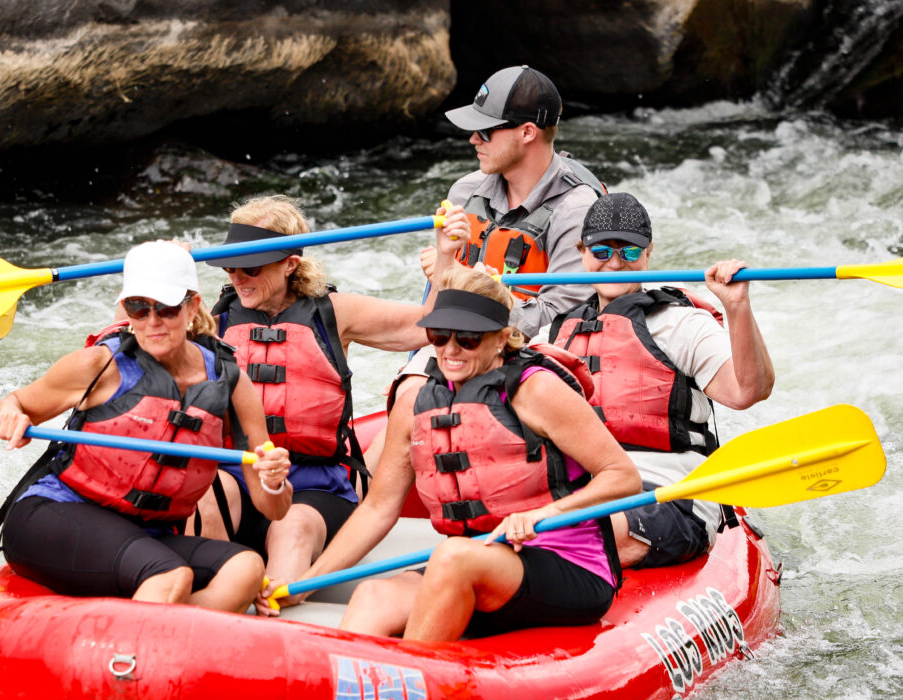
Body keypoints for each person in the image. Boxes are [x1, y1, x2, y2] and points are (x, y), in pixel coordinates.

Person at [300, 267, 641, 641]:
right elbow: (378, 508)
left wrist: (543, 514)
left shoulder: (538, 390)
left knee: (452, 557)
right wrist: (306, 584)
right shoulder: (415, 402)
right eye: (439, 335)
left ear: (500, 339)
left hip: (566, 564)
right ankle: (352, 696)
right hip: (474, 563)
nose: (450, 350)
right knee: (375, 595)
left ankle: (417, 682)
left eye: (467, 338)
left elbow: (623, 476)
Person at [0, 241, 292, 612]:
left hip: (147, 535)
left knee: (245, 568)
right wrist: (10, 414)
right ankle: (130, 655)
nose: (151, 322)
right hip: (56, 515)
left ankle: (155, 632)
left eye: (165, 309)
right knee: (168, 576)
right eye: (138, 308)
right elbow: (18, 403)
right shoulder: (100, 365)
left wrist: (272, 480)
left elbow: (274, 508)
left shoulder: (230, 381)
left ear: (192, 306)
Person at [191, 195, 450, 615]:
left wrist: (445, 257)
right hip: (238, 476)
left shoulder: (334, 312)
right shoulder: (210, 318)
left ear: (289, 264)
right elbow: (142, 335)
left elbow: (427, 326)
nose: (238, 277)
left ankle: (278, 612)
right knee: (199, 493)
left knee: (291, 527)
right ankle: (206, 608)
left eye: (251, 268)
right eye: (228, 267)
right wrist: (168, 276)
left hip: (317, 486)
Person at [367, 65, 603, 468]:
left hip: (529, 356)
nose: (473, 139)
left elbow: (561, 318)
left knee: (427, 384)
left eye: (486, 130)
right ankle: (352, 503)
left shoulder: (576, 210)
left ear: (527, 132)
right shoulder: (465, 190)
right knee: (412, 393)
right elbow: (436, 307)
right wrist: (444, 262)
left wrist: (476, 295)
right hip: (460, 342)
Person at [540, 192, 775, 568]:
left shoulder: (680, 322)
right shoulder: (553, 334)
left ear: (649, 254)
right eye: (601, 252)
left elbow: (749, 391)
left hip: (668, 495)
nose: (614, 264)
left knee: (591, 530)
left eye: (629, 252)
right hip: (582, 493)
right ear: (582, 252)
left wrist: (737, 308)